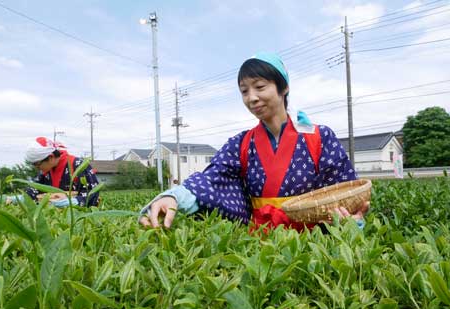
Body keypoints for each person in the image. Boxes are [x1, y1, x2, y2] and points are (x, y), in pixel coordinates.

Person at [140, 52, 369, 230]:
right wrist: (173, 197)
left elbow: (343, 190)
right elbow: (211, 180)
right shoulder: (240, 143)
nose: (251, 98)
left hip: (314, 242)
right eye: (244, 91)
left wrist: (351, 215)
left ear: (284, 87)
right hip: (259, 241)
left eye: (260, 87)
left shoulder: (320, 137)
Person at [22, 137, 100, 207]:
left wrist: (75, 201)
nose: (37, 168)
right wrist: (23, 198)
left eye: (37, 165)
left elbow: (93, 193)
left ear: (51, 157)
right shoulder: (46, 171)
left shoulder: (78, 166)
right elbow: (34, 189)